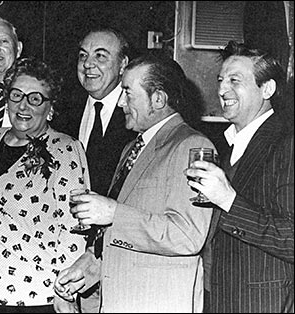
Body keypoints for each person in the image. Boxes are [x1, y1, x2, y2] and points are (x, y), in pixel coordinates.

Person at [53, 54, 215, 313]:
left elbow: (187, 236)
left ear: (158, 99)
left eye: (128, 93)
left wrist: (112, 213)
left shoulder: (192, 146)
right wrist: (91, 266)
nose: (120, 103)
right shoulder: (133, 147)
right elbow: (129, 234)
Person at [0, 57, 90, 312]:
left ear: (51, 107)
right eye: (16, 95)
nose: (24, 105)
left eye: (36, 98)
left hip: (40, 297)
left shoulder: (65, 149)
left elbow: (75, 229)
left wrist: (65, 292)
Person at [184, 41, 294, 313]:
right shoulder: (229, 146)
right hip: (219, 296)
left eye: (235, 80)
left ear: (267, 88)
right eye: (221, 80)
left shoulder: (287, 143)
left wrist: (228, 200)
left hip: (262, 302)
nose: (221, 89)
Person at [51, 26, 138, 197]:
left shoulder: (137, 113)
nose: (87, 64)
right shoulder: (63, 109)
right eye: (83, 55)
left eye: (100, 56)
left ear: (122, 65)